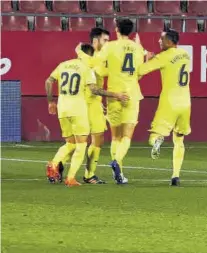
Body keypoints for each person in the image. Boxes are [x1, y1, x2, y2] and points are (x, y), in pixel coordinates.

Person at [45, 44, 128, 186]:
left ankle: (54, 163)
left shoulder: (63, 65)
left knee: (70, 143)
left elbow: (48, 81)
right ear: (89, 56)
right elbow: (95, 90)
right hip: (78, 110)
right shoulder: (86, 69)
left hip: (62, 109)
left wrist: (50, 101)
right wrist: (115, 95)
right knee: (81, 145)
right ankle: (71, 178)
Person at [80, 18, 145, 184]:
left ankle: (120, 172)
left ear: (117, 29)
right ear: (130, 31)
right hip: (132, 94)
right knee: (127, 136)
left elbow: (95, 62)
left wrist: (80, 53)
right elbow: (140, 72)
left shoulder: (110, 46)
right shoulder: (138, 48)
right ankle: (117, 162)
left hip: (114, 94)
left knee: (115, 137)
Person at [138, 29, 191, 186]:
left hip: (169, 101)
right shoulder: (185, 54)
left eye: (162, 39)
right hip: (186, 102)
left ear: (170, 42)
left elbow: (140, 71)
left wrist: (146, 58)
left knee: (153, 137)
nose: (159, 42)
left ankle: (158, 140)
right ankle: (175, 176)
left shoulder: (163, 57)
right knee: (179, 140)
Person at [82, 27, 110, 184]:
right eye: (105, 40)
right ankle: (89, 174)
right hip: (91, 103)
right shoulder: (95, 58)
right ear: (96, 40)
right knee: (97, 140)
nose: (108, 43)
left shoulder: (84, 54)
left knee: (76, 141)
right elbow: (103, 72)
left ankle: (56, 165)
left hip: (86, 102)